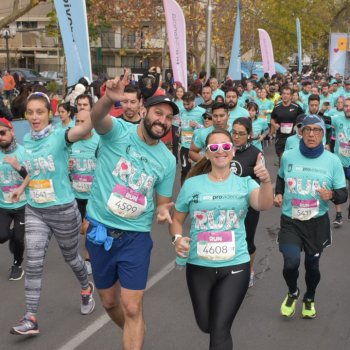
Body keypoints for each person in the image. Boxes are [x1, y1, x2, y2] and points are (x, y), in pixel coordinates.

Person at [85, 71, 177, 350]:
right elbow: (96, 119)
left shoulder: (168, 160)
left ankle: (134, 333)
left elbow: (162, 201)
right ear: (144, 110)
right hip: (100, 230)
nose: (162, 121)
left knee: (132, 306)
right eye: (158, 113)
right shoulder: (117, 132)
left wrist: (162, 211)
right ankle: (134, 332)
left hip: (135, 236)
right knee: (109, 302)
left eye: (169, 118)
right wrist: (106, 99)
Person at [170, 129, 273, 350]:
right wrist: (177, 239)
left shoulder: (245, 183)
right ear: (207, 153)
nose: (220, 151)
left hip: (235, 265)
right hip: (199, 265)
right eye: (214, 148)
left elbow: (263, 204)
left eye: (225, 147)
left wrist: (265, 181)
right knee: (206, 324)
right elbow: (176, 220)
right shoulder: (192, 185)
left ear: (233, 151)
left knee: (219, 329)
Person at [10, 92, 95, 335]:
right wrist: (21, 187)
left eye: (40, 112)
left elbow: (82, 129)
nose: (34, 117)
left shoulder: (61, 136)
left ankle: (85, 287)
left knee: (72, 259)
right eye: (30, 112)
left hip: (63, 210)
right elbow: (34, 171)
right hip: (35, 209)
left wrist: (106, 102)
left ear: (50, 114)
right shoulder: (27, 139)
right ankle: (31, 318)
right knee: (34, 263)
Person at [274, 114, 348, 319]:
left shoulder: (332, 161)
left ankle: (309, 297)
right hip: (291, 220)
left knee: (312, 266)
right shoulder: (288, 156)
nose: (312, 134)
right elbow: (280, 178)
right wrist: (278, 193)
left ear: (323, 134)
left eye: (316, 130)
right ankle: (292, 292)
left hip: (317, 223)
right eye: (308, 130)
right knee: (290, 263)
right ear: (301, 132)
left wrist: (332, 195)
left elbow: (343, 193)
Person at [230, 117, 265, 287]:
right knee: (229, 238)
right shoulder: (225, 149)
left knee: (248, 240)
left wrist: (248, 173)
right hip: (227, 203)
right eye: (234, 132)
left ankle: (250, 270)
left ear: (249, 135)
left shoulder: (256, 153)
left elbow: (261, 179)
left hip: (249, 204)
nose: (236, 137)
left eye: (241, 134)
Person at [0, 118, 27, 280]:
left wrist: (18, 167)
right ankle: (10, 235)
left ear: (12, 131)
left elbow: (32, 178)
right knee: (2, 236)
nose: (0, 137)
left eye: (3, 132)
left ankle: (17, 264)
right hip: (3, 205)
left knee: (18, 237)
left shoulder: (24, 152)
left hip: (23, 205)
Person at [270, 86, 304, 161]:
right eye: (284, 93)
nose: (285, 95)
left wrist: (297, 126)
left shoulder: (296, 106)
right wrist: (274, 125)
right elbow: (272, 119)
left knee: (291, 157)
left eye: (288, 94)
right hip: (280, 136)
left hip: (293, 136)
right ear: (281, 95)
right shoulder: (277, 107)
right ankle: (281, 171)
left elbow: (302, 118)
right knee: (281, 157)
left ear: (291, 96)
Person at [179, 91, 205, 184]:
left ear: (194, 101)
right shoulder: (181, 111)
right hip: (185, 146)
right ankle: (183, 194)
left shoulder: (202, 112)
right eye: (184, 104)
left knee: (197, 171)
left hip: (197, 148)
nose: (186, 106)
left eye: (188, 104)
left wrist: (198, 125)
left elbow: (207, 128)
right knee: (185, 171)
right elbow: (179, 124)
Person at [331, 97, 350, 224]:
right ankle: (338, 214)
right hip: (339, 160)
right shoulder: (337, 119)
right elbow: (323, 121)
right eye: (346, 106)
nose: (348, 108)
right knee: (338, 188)